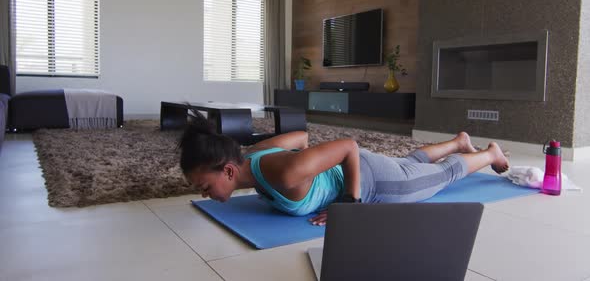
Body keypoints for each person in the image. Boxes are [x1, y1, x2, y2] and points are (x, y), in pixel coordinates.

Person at [179, 112, 509, 226]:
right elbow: (301, 137)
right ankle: (457, 141)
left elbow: (348, 146)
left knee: (441, 177)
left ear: (227, 171)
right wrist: (316, 170)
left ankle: (489, 153)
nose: (205, 194)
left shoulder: (285, 173)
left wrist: (348, 205)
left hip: (372, 182)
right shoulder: (252, 156)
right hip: (364, 167)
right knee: (410, 164)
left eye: (204, 187)